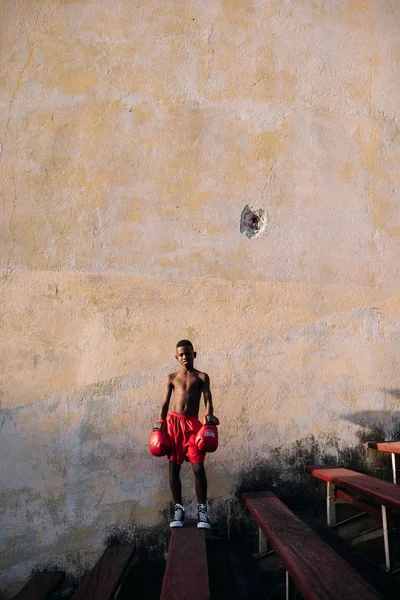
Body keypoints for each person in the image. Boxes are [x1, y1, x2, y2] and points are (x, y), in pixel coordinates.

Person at [153, 340, 217, 529]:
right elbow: (165, 402)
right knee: (174, 466)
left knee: (198, 467)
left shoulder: (202, 376)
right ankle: (178, 508)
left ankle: (202, 511)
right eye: (181, 354)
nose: (184, 357)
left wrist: (209, 417)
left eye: (188, 353)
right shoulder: (172, 377)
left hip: (192, 425)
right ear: (176, 357)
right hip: (173, 424)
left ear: (194, 354)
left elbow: (208, 398)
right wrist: (159, 424)